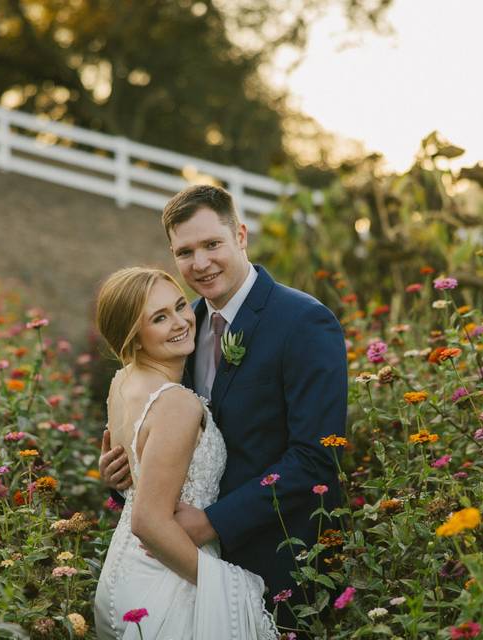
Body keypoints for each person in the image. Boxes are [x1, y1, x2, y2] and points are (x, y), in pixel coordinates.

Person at [99, 185, 348, 633]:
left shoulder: (303, 322)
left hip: (277, 560)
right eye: (185, 251)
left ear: (241, 237)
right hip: (184, 567)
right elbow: (169, 442)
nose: (200, 263)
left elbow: (318, 456)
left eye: (212, 244)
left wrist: (214, 521)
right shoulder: (182, 326)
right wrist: (124, 475)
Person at [91, 267, 278, 639]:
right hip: (168, 578)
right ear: (135, 336)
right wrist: (226, 586)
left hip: (122, 574)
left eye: (179, 306)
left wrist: (112, 475)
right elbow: (147, 520)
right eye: (159, 318)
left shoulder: (123, 380)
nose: (181, 322)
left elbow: (136, 476)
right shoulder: (177, 404)